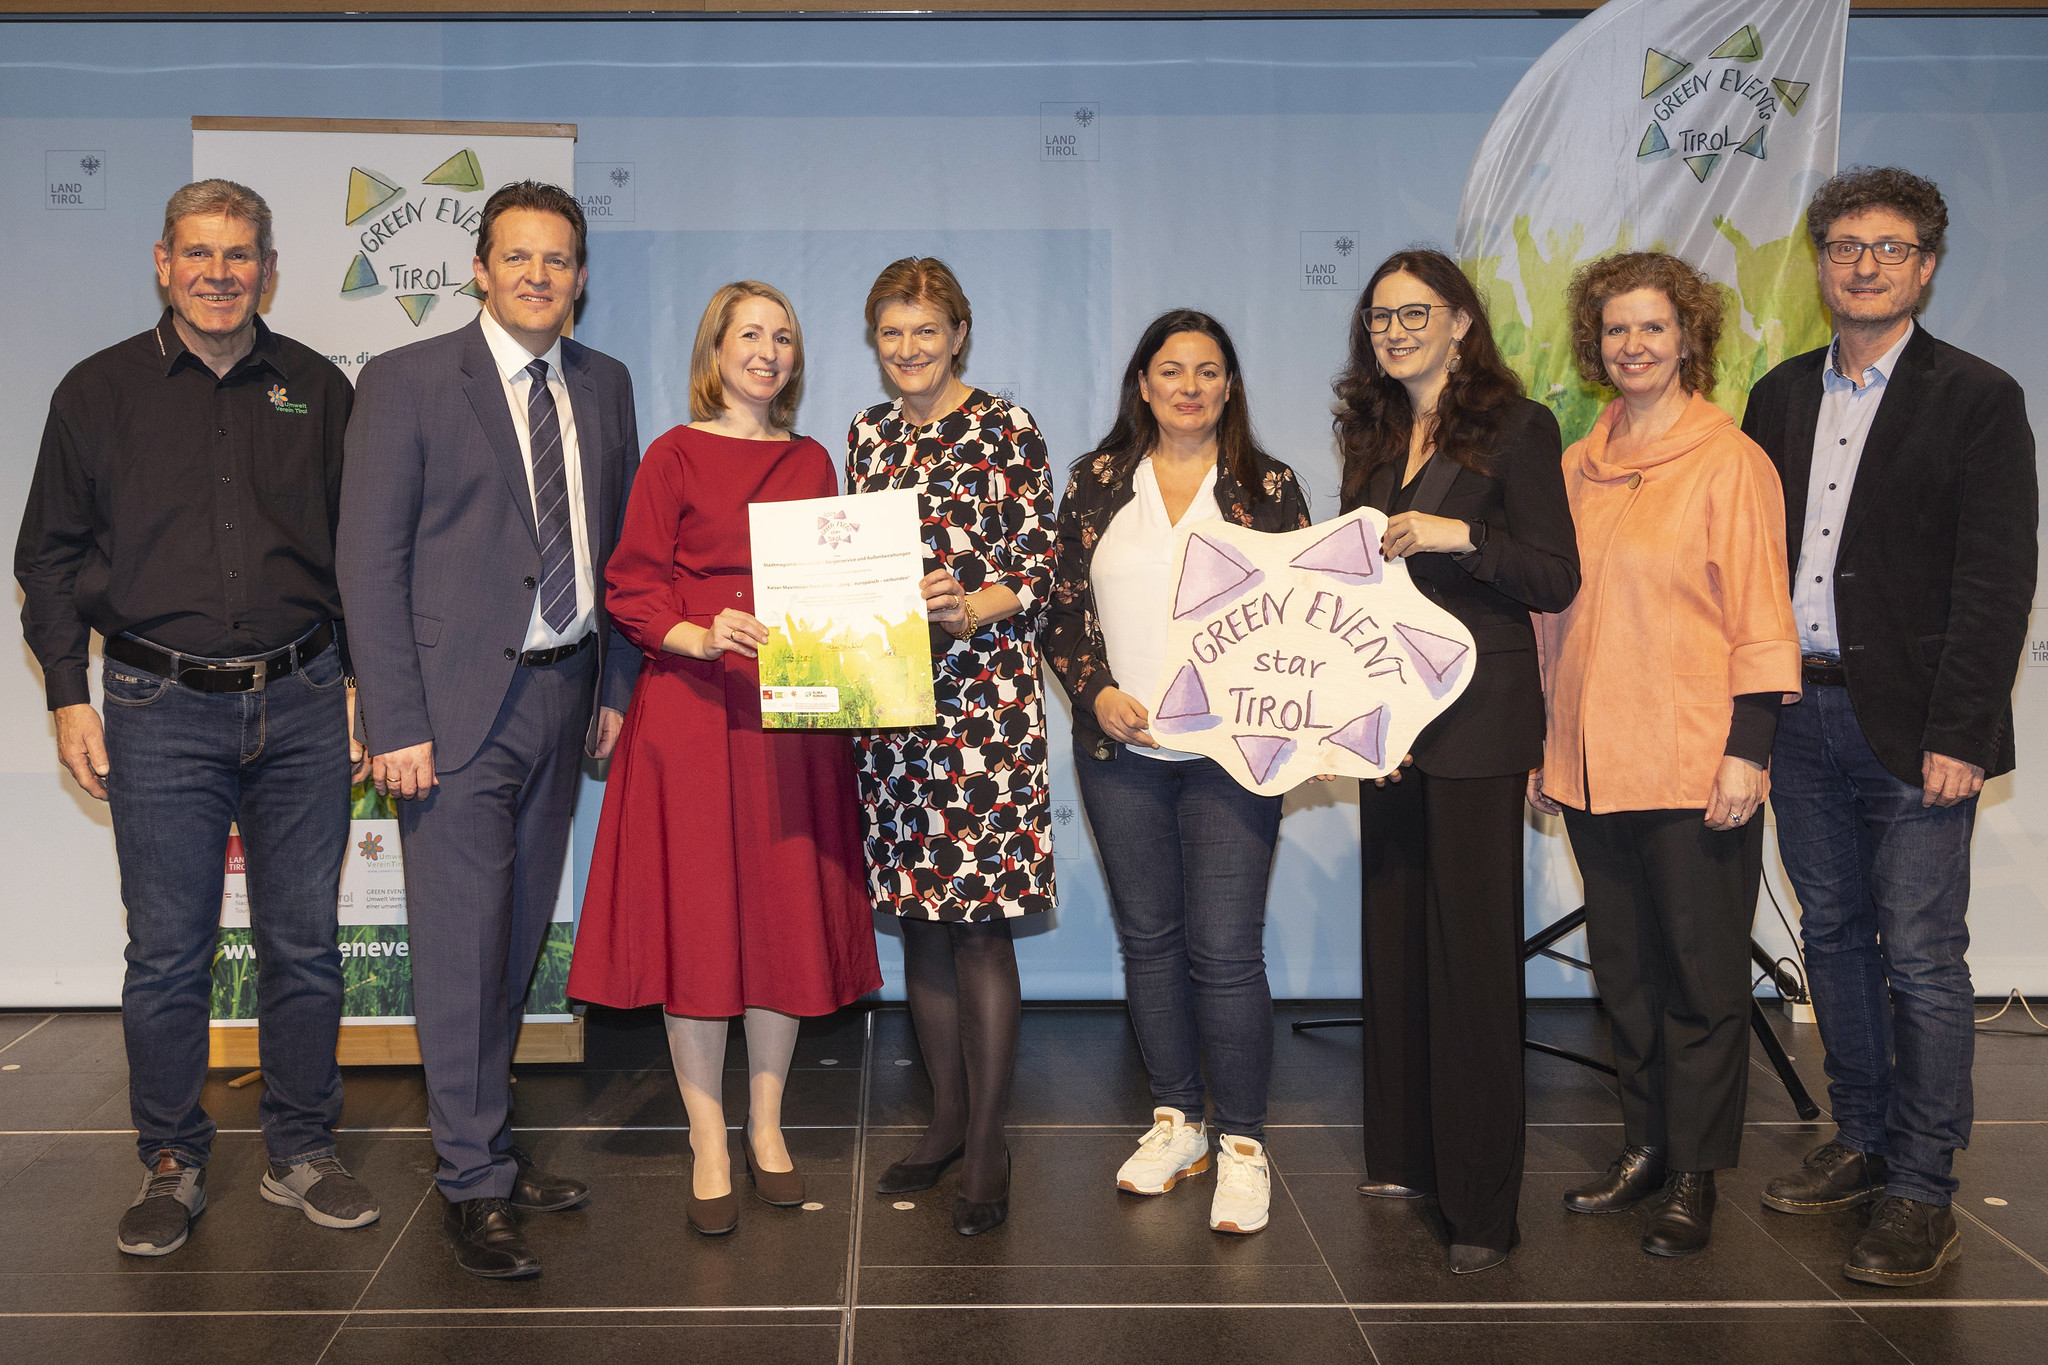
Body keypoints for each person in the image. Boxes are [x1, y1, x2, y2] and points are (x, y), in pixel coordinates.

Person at [15, 179, 377, 1259]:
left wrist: (365, 686)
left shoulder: (317, 387)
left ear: (269, 268)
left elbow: (358, 551)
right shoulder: (96, 390)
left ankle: (302, 1148)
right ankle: (172, 1159)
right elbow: (48, 559)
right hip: (152, 704)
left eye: (240, 255)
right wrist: (65, 695)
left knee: (304, 946)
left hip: (308, 701)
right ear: (162, 262)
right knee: (166, 953)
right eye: (199, 253)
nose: (221, 273)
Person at [338, 181, 640, 1280]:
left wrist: (615, 686)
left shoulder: (602, 385)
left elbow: (619, 559)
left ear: (579, 277)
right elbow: (366, 561)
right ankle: (469, 1180)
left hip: (565, 698)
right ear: (478, 267)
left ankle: (491, 1152)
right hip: (450, 713)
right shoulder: (409, 381)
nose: (537, 277)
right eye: (517, 257)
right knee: (460, 953)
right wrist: (394, 718)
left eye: (557, 261)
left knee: (513, 946)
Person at [1741, 167, 2036, 1286]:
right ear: (1817, 262)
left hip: (1916, 729)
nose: (1863, 264)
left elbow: (1995, 578)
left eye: (1889, 247)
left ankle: (1921, 1187)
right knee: (1830, 944)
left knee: (1918, 957)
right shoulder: (1773, 395)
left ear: (1924, 266)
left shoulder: (1975, 397)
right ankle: (1859, 1140)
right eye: (1843, 245)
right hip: (1797, 713)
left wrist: (1961, 728)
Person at [566, 282, 881, 1236]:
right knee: (700, 922)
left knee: (782, 919)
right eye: (751, 333)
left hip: (792, 720)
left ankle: (768, 1128)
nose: (769, 350)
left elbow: (844, 586)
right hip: (693, 716)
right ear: (716, 347)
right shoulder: (671, 452)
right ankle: (707, 1136)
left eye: (784, 336)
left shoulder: (814, 458)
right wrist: (698, 634)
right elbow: (630, 586)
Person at [1529, 251, 1799, 1258]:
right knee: (1627, 977)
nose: (1631, 346)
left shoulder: (1730, 462)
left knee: (1698, 982)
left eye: (1650, 327)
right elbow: (1549, 623)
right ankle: (1642, 1146)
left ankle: (1694, 1170)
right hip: (1594, 763)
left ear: (1686, 337)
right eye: (1613, 330)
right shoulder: (1573, 464)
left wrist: (1747, 750)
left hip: (1696, 768)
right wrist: (1543, 745)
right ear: (1593, 347)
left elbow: (1761, 617)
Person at [1334, 249, 1580, 1274]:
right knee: (1392, 937)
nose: (1394, 330)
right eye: (1380, 317)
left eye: (1413, 313)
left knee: (1471, 958)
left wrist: (1456, 534)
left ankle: (1480, 1205)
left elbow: (1552, 575)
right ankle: (1403, 1155)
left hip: (1478, 719)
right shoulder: (1374, 434)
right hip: (1387, 718)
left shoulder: (1518, 428)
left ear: (1460, 323)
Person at [1044, 310, 1312, 1238]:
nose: (1189, 386)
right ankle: (1176, 1121)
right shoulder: (1096, 480)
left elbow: (1306, 622)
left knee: (1226, 950)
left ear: (1229, 386)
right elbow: (1060, 608)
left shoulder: (1268, 487)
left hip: (1236, 758)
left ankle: (1242, 1145)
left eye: (1207, 371)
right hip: (1123, 753)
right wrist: (1096, 691)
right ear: (1143, 385)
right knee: (1150, 942)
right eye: (1171, 370)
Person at [845, 258, 1056, 1237]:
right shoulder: (866, 437)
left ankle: (986, 1143)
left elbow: (1038, 564)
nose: (908, 349)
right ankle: (939, 1121)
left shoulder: (1004, 427)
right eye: (891, 333)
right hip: (890, 712)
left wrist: (965, 607)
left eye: (924, 330)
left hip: (984, 709)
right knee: (920, 920)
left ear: (958, 333)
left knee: (980, 926)